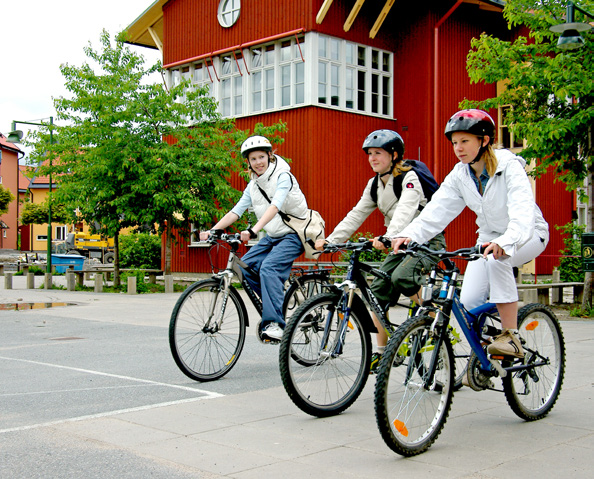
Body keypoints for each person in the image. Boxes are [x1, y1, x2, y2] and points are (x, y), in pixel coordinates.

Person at [392, 109, 549, 358]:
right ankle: (485, 358)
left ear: (484, 140)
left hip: (527, 234)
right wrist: (409, 235)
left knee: (498, 259)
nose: (458, 148)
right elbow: (437, 211)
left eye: (465, 141)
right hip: (486, 240)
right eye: (454, 142)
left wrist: (506, 241)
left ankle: (511, 337)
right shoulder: (460, 175)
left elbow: (522, 213)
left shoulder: (509, 167)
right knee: (469, 303)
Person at [314, 130, 446, 372]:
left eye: (378, 153)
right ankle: (383, 352)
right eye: (370, 154)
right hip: (397, 243)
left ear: (394, 155)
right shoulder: (374, 184)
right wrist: (331, 239)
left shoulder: (409, 177)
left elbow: (406, 210)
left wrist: (388, 236)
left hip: (426, 241)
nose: (372, 158)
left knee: (402, 277)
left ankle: (434, 317)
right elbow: (357, 213)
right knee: (376, 293)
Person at [199, 135, 309, 342]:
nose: (258, 162)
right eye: (253, 159)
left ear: (270, 155)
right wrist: (213, 230)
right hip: (274, 235)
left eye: (261, 157)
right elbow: (236, 211)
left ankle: (275, 323)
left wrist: (254, 230)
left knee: (268, 268)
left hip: (294, 234)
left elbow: (275, 206)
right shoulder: (253, 185)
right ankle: (275, 299)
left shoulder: (283, 176)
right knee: (243, 267)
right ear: (248, 162)